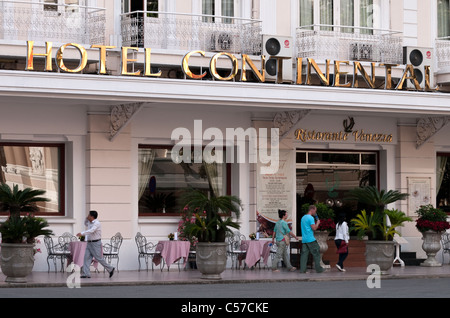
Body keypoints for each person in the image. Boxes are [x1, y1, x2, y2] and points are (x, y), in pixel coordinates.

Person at [76, 210, 115, 278]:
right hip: (89, 242)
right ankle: (86, 273)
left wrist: (82, 233)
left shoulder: (97, 223)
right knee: (86, 258)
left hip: (95, 243)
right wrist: (86, 218)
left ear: (92, 216)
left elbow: (91, 231)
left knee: (98, 258)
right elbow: (85, 223)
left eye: (89, 215)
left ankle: (110, 268)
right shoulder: (89, 222)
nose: (87, 216)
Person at [299, 205, 324, 273]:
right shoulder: (310, 218)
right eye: (315, 211)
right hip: (310, 239)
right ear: (312, 210)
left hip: (304, 239)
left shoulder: (303, 217)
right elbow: (314, 228)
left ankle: (302, 270)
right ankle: (319, 269)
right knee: (316, 253)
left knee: (304, 255)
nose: (315, 213)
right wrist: (318, 223)